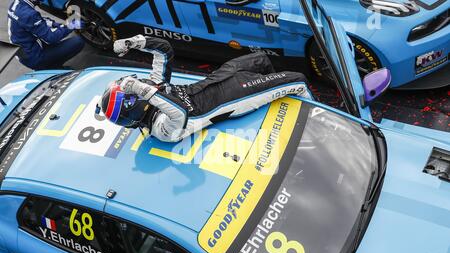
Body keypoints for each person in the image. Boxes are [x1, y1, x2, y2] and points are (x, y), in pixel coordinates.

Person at [100, 35, 312, 143]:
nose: (141, 83)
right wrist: (142, 89)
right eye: (132, 92)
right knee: (298, 81)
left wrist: (136, 42)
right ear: (134, 104)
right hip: (235, 95)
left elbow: (164, 52)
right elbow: (179, 111)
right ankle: (317, 125)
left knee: (261, 59)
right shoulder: (161, 130)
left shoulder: (153, 89)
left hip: (220, 76)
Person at [7, 0, 85, 70]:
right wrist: (71, 25)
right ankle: (51, 67)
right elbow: (51, 37)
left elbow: (37, 21)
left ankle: (48, 65)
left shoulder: (17, 4)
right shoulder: (29, 14)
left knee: (57, 33)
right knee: (78, 41)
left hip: (23, 52)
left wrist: (55, 24)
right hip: (34, 58)